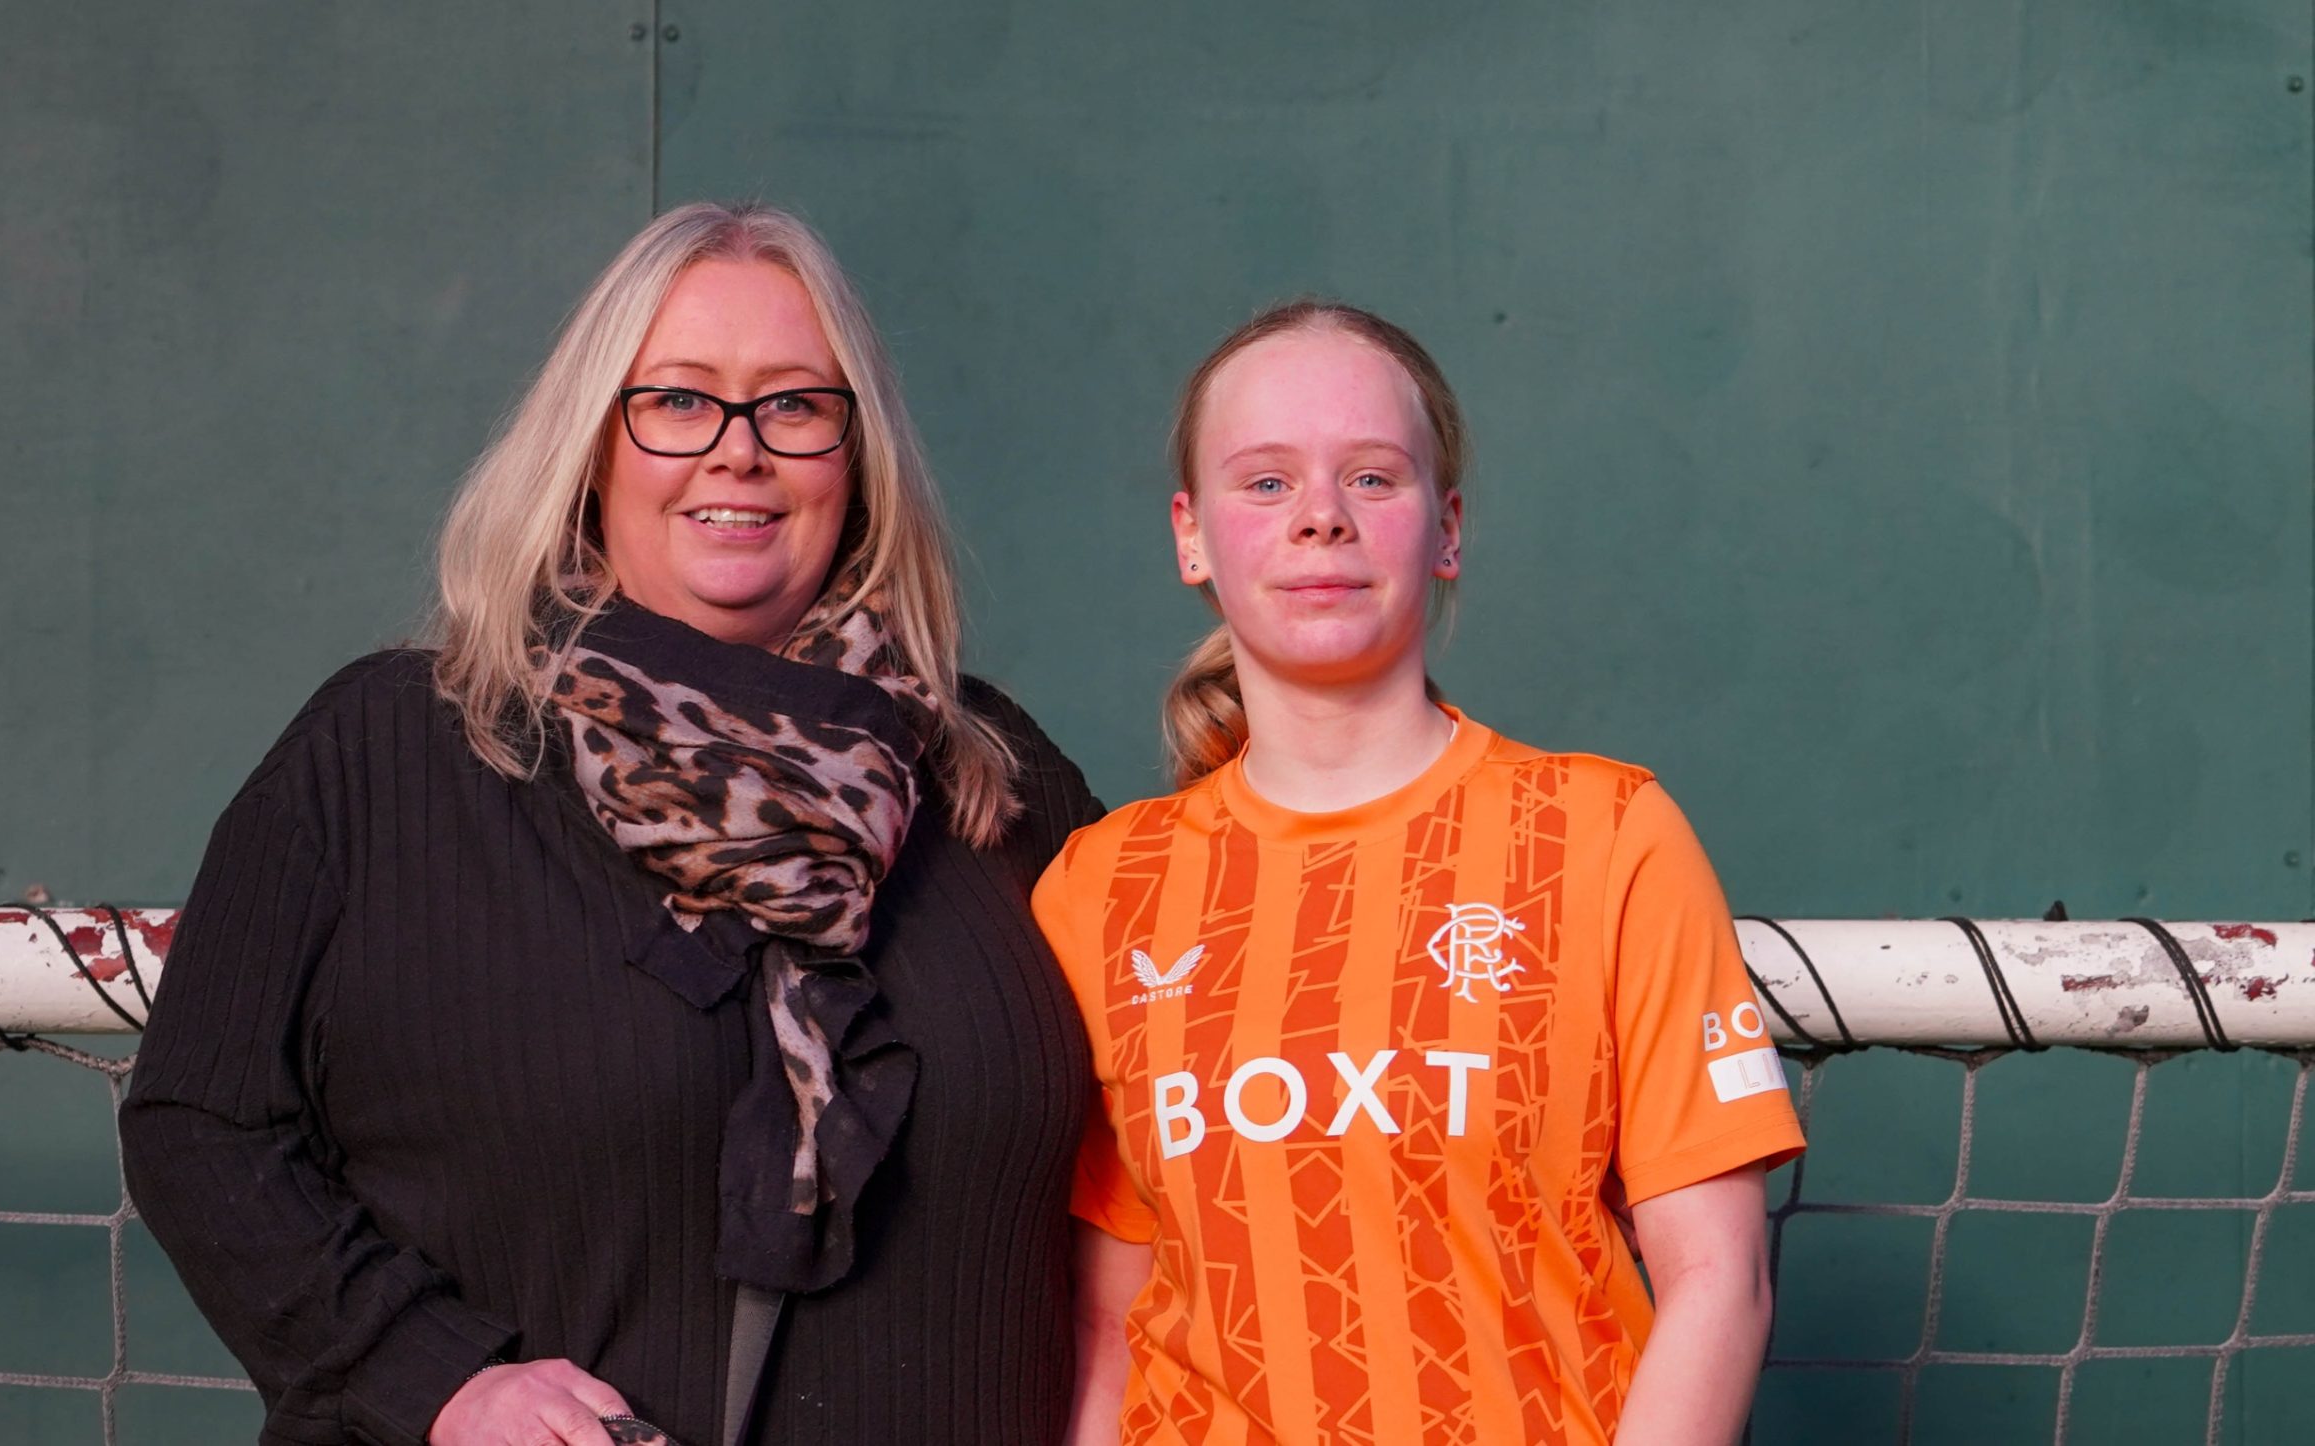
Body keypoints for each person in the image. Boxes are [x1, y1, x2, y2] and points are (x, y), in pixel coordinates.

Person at [119, 201, 1102, 1446]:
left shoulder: (993, 775)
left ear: (857, 457)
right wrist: (436, 1380)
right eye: (678, 401)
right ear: (592, 444)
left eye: (795, 405)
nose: (739, 452)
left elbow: (1150, 1176)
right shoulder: (385, 752)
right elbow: (201, 1125)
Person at [1042, 301, 1806, 1446]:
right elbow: (1108, 1330)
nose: (1320, 518)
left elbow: (1718, 1278)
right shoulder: (1103, 889)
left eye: (1371, 478)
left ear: (1445, 530)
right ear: (1189, 537)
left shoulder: (1606, 835)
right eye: (1265, 482)